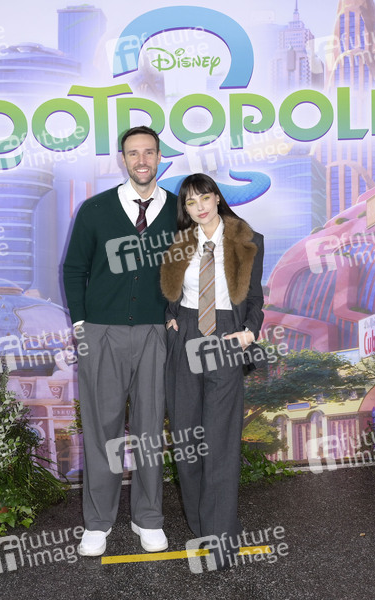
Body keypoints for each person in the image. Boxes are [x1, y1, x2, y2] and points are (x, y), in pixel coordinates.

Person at [62, 126, 177, 556]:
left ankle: (148, 518)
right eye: (133, 153)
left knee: (149, 430)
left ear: (159, 156)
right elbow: (74, 269)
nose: (141, 160)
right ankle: (97, 522)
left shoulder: (179, 210)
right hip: (101, 333)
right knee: (102, 430)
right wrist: (81, 324)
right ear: (122, 159)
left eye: (149, 152)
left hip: (154, 333)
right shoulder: (95, 210)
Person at [159, 173, 264, 570]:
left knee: (219, 439)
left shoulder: (248, 240)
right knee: (187, 438)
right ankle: (202, 524)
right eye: (190, 202)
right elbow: (164, 290)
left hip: (226, 335)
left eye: (205, 197)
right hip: (185, 333)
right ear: (185, 209)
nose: (199, 206)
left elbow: (255, 297)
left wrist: (249, 332)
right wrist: (170, 318)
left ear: (217, 198)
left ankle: (221, 537)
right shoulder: (176, 243)